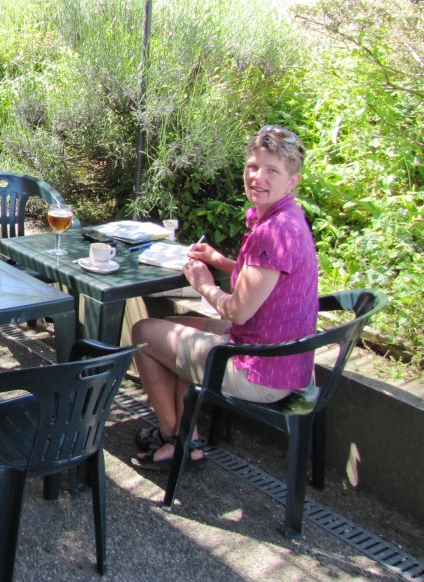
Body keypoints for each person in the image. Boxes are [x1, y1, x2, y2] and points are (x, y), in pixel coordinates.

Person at [130, 125, 318, 472]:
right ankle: (184, 431)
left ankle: (178, 441)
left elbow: (238, 311)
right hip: (287, 360)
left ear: (293, 181)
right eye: (252, 166)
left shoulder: (273, 232)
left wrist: (204, 284)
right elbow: (265, 279)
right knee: (171, 326)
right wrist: (219, 261)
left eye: (271, 171)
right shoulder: (289, 219)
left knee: (143, 332)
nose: (257, 177)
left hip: (261, 371)